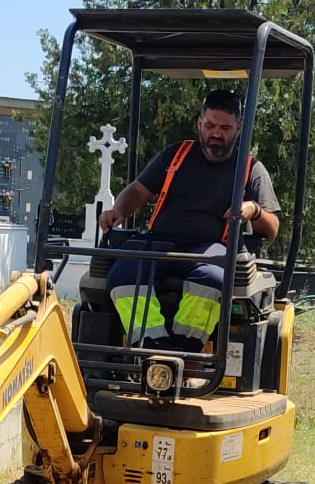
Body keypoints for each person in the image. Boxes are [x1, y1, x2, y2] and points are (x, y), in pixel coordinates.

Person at [96, 89, 282, 350]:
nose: (216, 133)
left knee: (212, 278)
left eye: (225, 127)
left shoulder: (251, 169)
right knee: (123, 273)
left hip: (212, 249)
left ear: (239, 128)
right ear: (199, 123)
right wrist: (119, 210)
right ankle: (152, 345)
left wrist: (255, 210)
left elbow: (272, 228)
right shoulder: (175, 155)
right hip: (160, 245)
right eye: (210, 125)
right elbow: (138, 190)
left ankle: (186, 349)